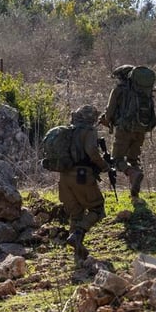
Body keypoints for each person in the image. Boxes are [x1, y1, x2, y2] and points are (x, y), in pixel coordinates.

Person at [60, 105, 108, 263]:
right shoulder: (88, 131)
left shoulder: (68, 131)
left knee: (76, 214)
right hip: (81, 175)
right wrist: (103, 166)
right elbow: (92, 151)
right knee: (97, 209)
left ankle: (78, 252)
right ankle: (78, 233)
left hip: (64, 177)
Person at [99, 65, 155, 199]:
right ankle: (135, 192)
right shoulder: (144, 92)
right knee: (133, 159)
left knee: (116, 160)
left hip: (124, 130)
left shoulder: (118, 90)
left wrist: (104, 120)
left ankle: (133, 174)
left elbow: (109, 114)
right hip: (141, 130)